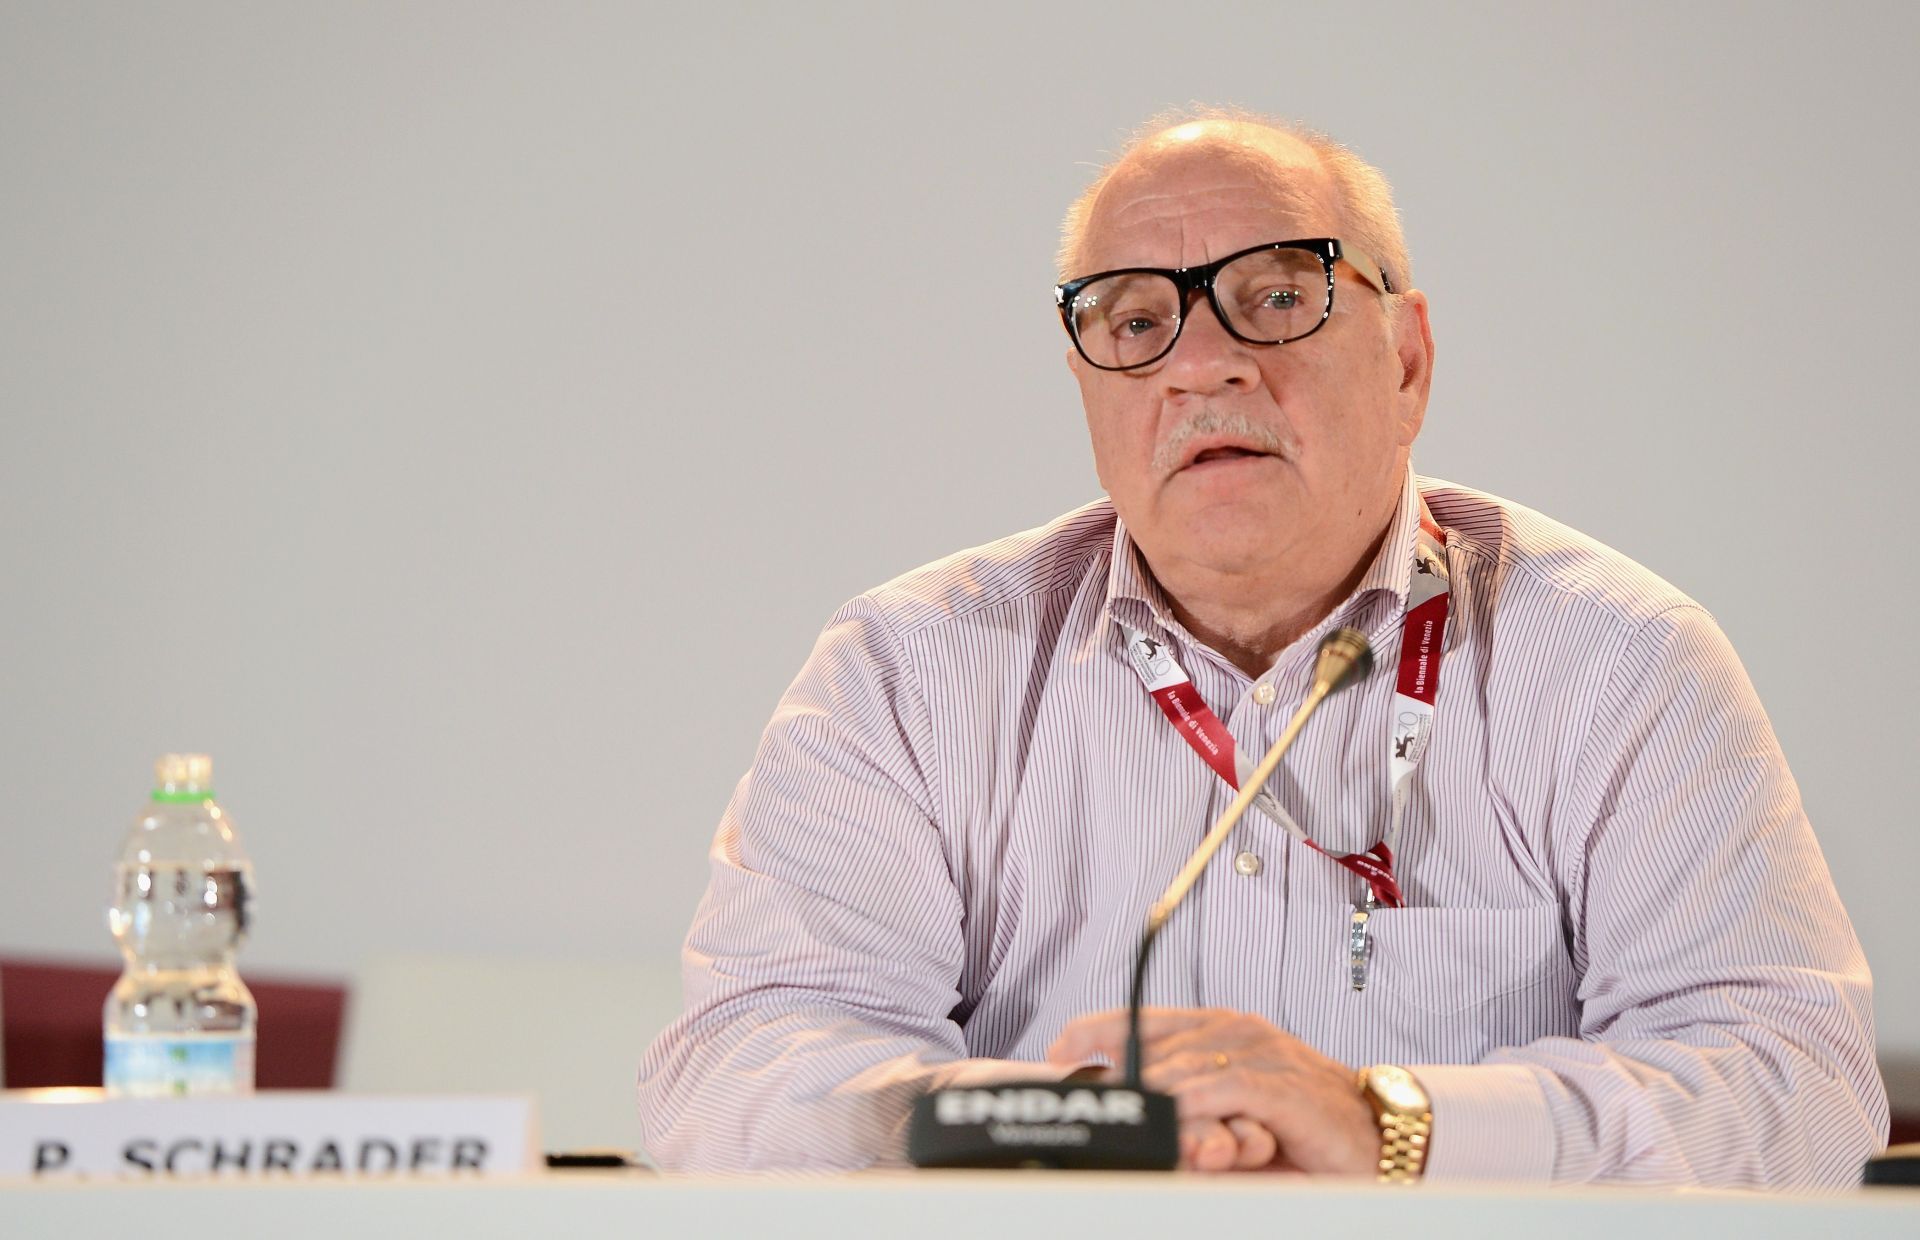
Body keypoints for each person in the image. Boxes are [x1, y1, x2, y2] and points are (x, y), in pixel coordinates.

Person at [635, 109, 1887, 1185]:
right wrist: (1045, 1122)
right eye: (1133, 321)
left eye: (1279, 296)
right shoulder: (909, 672)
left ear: (1406, 360)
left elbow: (1797, 1088)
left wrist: (1391, 1124)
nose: (1203, 363)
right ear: (1090, 389)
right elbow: (741, 1064)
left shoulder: (1619, 661)